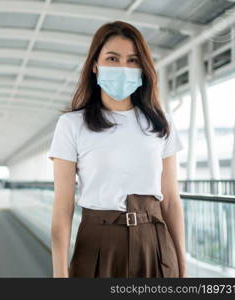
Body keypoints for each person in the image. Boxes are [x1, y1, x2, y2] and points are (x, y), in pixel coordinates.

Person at [48, 20, 186, 278]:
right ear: (95, 65)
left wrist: (183, 268)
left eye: (132, 60)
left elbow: (170, 201)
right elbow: (62, 207)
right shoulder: (71, 125)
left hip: (155, 247)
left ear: (143, 68)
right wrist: (59, 274)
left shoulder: (160, 123)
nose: (123, 68)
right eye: (113, 58)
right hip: (98, 246)